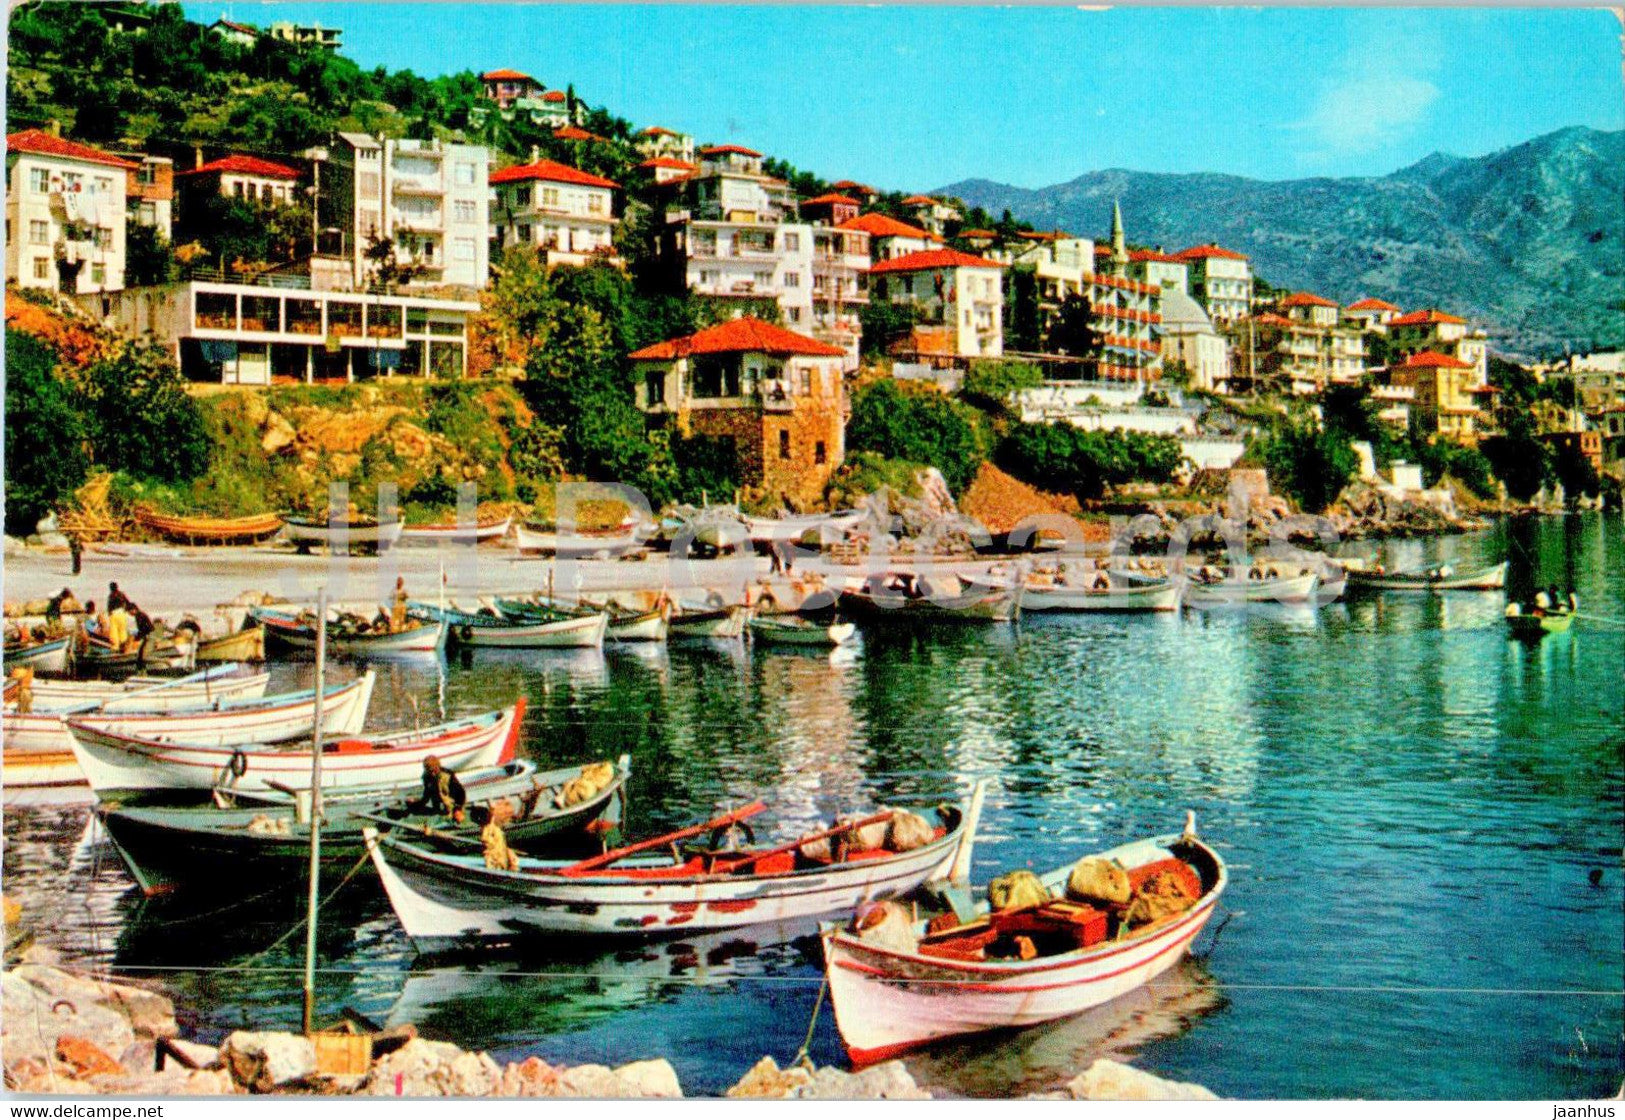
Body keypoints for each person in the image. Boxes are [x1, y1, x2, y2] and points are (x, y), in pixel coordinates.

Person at [415, 756, 466, 820]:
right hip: (438, 807)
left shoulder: (447, 775)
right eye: (430, 771)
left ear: (438, 767)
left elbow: (461, 793)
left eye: (434, 770)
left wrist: (458, 809)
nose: (433, 774)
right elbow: (426, 794)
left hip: (452, 805)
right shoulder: (426, 777)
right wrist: (419, 804)